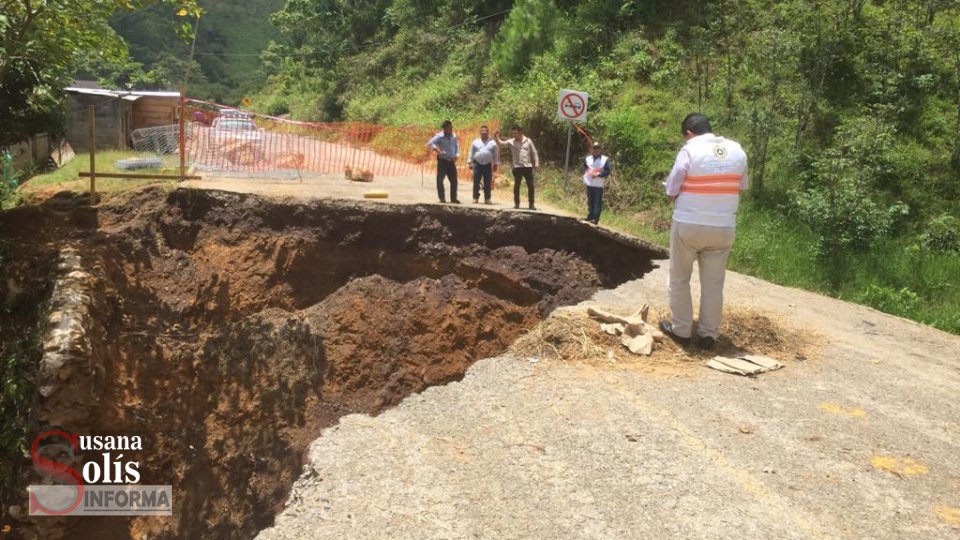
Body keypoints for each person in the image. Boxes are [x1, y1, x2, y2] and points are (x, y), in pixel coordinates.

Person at [659, 113, 749, 350]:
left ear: (689, 133)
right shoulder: (737, 150)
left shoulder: (690, 150)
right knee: (713, 283)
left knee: (679, 278)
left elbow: (672, 188)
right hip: (723, 227)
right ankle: (708, 334)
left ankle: (681, 330)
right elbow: (741, 186)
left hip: (689, 223)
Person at [495, 126, 539, 210]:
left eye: (515, 133)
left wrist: (536, 163)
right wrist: (496, 137)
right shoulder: (511, 141)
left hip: (528, 167)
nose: (514, 135)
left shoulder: (528, 141)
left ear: (521, 132)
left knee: (531, 185)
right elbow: (501, 144)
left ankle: (531, 204)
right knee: (517, 186)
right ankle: (517, 204)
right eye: (513, 134)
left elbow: (534, 152)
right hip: (518, 167)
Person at [426, 120, 460, 203]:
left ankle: (453, 198)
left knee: (454, 181)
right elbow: (430, 143)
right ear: (444, 128)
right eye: (449, 128)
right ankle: (442, 198)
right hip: (443, 161)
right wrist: (437, 149)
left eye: (451, 127)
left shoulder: (453, 136)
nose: (451, 129)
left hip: (451, 161)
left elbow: (456, 146)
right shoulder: (439, 136)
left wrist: (457, 155)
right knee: (440, 180)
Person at [467, 125, 500, 204]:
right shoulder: (475, 142)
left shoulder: (492, 143)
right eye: (482, 131)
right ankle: (475, 198)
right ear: (480, 132)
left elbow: (495, 154)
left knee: (487, 182)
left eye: (486, 131)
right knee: (476, 182)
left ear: (488, 132)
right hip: (477, 164)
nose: (484, 132)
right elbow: (471, 152)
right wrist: (470, 162)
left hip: (487, 165)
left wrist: (495, 164)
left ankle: (487, 199)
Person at [582, 141, 611, 224]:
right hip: (589, 183)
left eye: (597, 148)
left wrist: (598, 174)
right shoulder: (588, 158)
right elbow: (585, 167)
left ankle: (595, 218)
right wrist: (588, 173)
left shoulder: (605, 159)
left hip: (599, 184)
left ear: (600, 149)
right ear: (591, 149)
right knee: (590, 201)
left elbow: (608, 171)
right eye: (594, 148)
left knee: (597, 202)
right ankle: (590, 216)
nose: (596, 150)